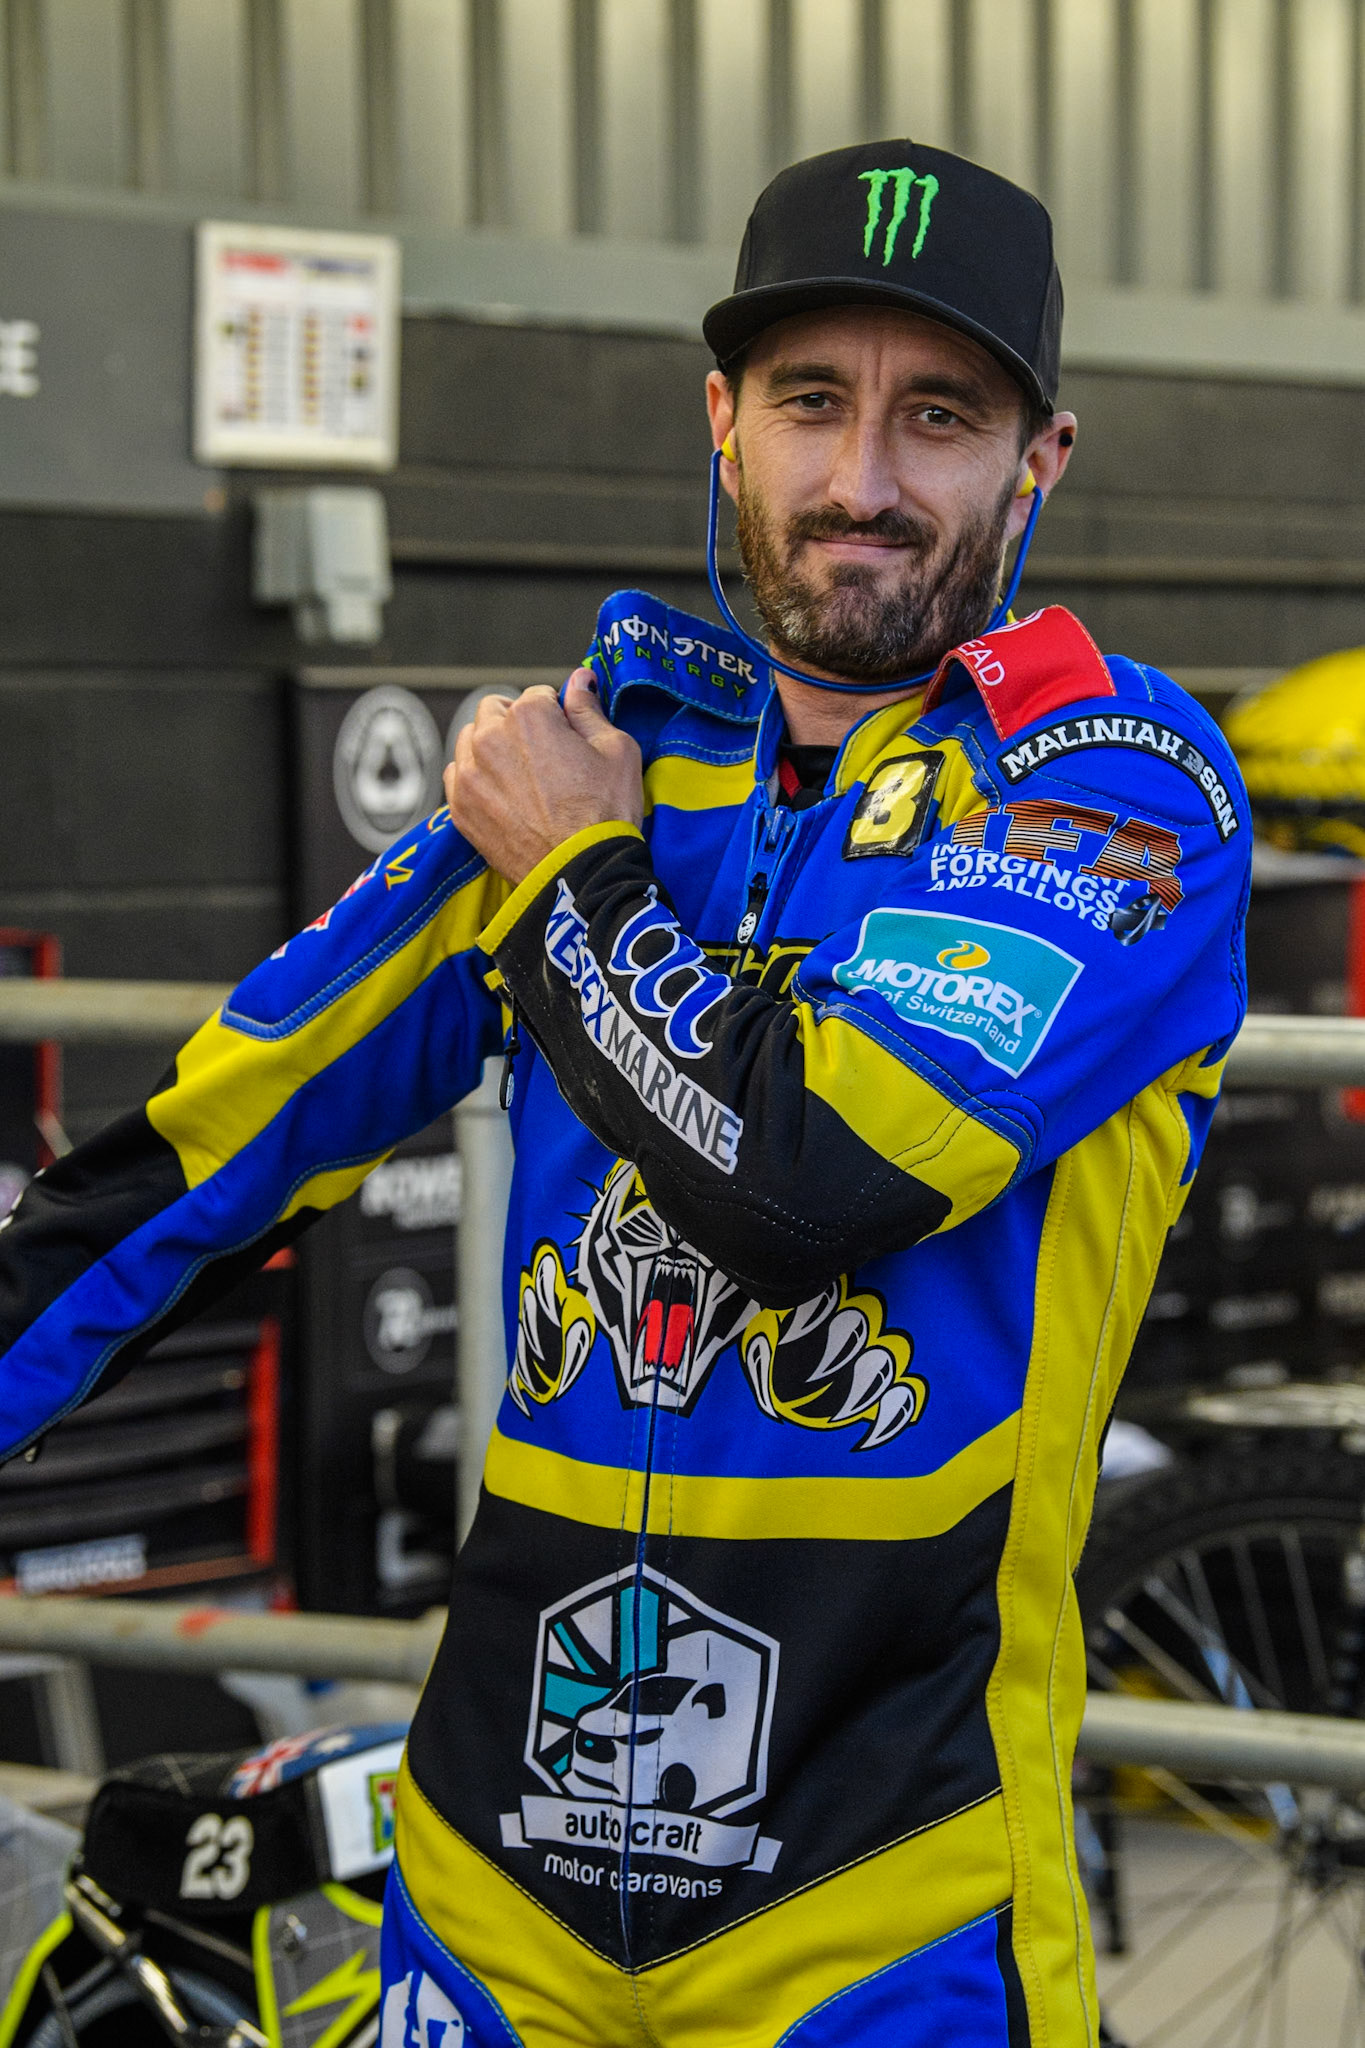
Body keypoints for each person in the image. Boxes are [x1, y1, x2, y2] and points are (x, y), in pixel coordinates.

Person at [0, 141, 1249, 2047]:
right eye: (810, 403)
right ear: (723, 423)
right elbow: (195, 1164)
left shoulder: (1118, 790)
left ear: (1037, 460)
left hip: (881, 1894)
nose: (862, 481)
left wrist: (572, 886)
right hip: (493, 1885)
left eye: (939, 417)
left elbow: (807, 1180)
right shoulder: (603, 752)